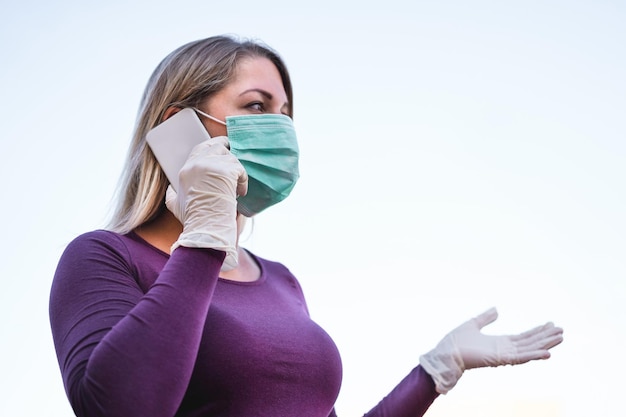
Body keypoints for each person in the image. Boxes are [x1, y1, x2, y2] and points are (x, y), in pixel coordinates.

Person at [49, 35, 564, 417]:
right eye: (256, 106)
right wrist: (204, 236)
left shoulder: (280, 280)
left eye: (286, 114)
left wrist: (435, 370)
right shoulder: (103, 257)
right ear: (179, 124)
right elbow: (119, 408)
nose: (281, 129)